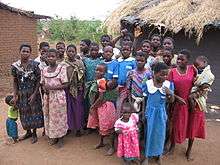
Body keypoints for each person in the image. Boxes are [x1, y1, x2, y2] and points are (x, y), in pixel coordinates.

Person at [142, 62, 174, 165]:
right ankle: (147, 156)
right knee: (149, 134)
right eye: (162, 74)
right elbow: (144, 99)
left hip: (161, 113)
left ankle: (159, 155)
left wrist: (170, 94)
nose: (164, 77)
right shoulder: (148, 84)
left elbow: (171, 101)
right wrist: (143, 113)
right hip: (150, 112)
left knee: (160, 135)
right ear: (154, 73)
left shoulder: (168, 85)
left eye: (166, 75)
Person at [11, 44, 44, 144]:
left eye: (27, 51)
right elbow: (15, 81)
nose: (25, 53)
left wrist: (34, 94)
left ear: (30, 53)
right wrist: (15, 95)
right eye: (23, 51)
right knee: (24, 113)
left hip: (33, 93)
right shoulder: (15, 66)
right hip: (22, 94)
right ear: (20, 52)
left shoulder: (35, 65)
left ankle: (34, 133)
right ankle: (28, 132)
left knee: (34, 112)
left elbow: (39, 79)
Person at [168, 49, 197, 159]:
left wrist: (194, 97)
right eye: (178, 59)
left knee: (191, 126)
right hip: (178, 104)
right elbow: (168, 89)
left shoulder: (192, 69)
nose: (179, 61)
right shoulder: (172, 72)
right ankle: (172, 146)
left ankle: (189, 151)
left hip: (191, 103)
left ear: (188, 60)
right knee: (175, 125)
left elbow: (198, 84)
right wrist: (176, 98)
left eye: (182, 59)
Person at [187, 56, 215, 160]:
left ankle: (189, 150)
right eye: (195, 65)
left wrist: (195, 94)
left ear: (204, 62)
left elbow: (204, 89)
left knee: (193, 128)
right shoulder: (195, 71)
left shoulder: (209, 75)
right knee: (186, 125)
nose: (196, 67)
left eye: (198, 65)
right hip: (189, 102)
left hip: (197, 105)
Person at [87, 63, 117, 155]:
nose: (97, 72)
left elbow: (101, 98)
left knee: (109, 128)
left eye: (100, 71)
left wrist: (92, 107)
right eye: (97, 70)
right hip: (100, 107)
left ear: (105, 72)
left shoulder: (101, 82)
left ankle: (112, 147)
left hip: (105, 107)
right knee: (101, 125)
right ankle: (101, 142)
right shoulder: (98, 80)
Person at [41, 49, 69, 148]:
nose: (50, 58)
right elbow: (43, 83)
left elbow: (66, 84)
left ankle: (61, 138)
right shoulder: (44, 69)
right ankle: (53, 137)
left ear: (56, 57)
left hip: (58, 97)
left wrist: (52, 88)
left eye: (52, 56)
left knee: (59, 117)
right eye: (48, 56)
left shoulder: (61, 68)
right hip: (48, 97)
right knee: (49, 117)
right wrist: (45, 89)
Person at [65, 44, 85, 136]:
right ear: (66, 52)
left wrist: (81, 85)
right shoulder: (63, 64)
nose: (71, 53)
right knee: (68, 109)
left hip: (78, 88)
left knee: (78, 109)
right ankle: (69, 127)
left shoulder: (80, 63)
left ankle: (78, 128)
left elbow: (83, 75)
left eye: (73, 51)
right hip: (67, 89)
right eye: (69, 51)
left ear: (76, 52)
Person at [83, 42, 104, 123]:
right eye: (92, 50)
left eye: (96, 50)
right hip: (88, 85)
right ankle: (89, 123)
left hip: (99, 85)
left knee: (98, 103)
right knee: (88, 104)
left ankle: (98, 123)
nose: (94, 52)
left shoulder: (101, 60)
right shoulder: (85, 60)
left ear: (98, 51)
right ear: (89, 50)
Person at [117, 42, 136, 117]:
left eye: (127, 50)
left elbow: (135, 73)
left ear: (130, 51)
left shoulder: (132, 61)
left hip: (129, 88)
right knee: (119, 104)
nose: (125, 51)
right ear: (121, 50)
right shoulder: (118, 61)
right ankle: (119, 121)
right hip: (118, 87)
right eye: (123, 49)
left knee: (128, 105)